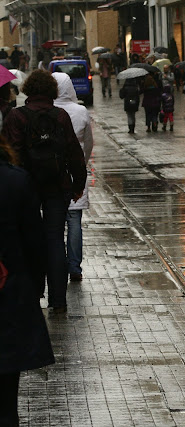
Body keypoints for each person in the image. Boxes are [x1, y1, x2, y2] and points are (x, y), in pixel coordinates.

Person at [2, 69, 87, 312]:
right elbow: (74, 153)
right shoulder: (60, 116)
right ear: (52, 91)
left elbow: (11, 154)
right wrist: (78, 185)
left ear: (28, 90)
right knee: (54, 241)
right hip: (56, 185)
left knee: (29, 240)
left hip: (26, 188)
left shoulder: (17, 117)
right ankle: (58, 302)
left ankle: (34, 293)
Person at [0, 137, 55, 426]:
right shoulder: (16, 181)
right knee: (6, 398)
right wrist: (34, 289)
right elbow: (35, 242)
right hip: (9, 295)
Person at [53, 72, 94, 282]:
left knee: (54, 221)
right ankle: (75, 267)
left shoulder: (49, 111)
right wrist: (82, 164)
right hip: (75, 171)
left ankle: (57, 263)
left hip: (53, 172)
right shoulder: (80, 111)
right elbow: (88, 143)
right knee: (75, 220)